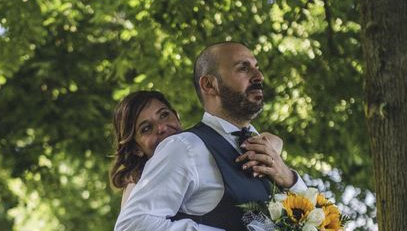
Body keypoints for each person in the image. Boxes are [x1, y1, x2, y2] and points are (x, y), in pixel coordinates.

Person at [114, 42, 307, 231]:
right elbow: (131, 225)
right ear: (209, 84)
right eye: (243, 68)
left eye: (257, 67)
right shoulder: (183, 147)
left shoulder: (262, 145)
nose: (259, 76)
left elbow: (315, 220)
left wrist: (290, 179)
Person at [110, 90, 284, 208]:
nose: (161, 127)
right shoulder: (138, 185)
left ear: (177, 117)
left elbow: (271, 140)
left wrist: (269, 147)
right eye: (146, 128)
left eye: (164, 115)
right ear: (136, 149)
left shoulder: (198, 146)